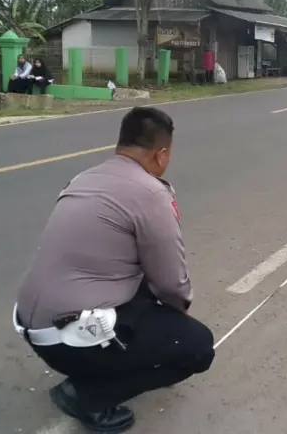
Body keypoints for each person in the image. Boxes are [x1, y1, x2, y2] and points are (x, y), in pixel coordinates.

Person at [13, 107, 215, 433]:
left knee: (143, 293)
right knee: (197, 348)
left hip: (32, 323)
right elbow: (172, 286)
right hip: (67, 338)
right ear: (161, 154)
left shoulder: (84, 177)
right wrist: (173, 333)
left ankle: (99, 365)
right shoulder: (151, 193)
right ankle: (86, 395)